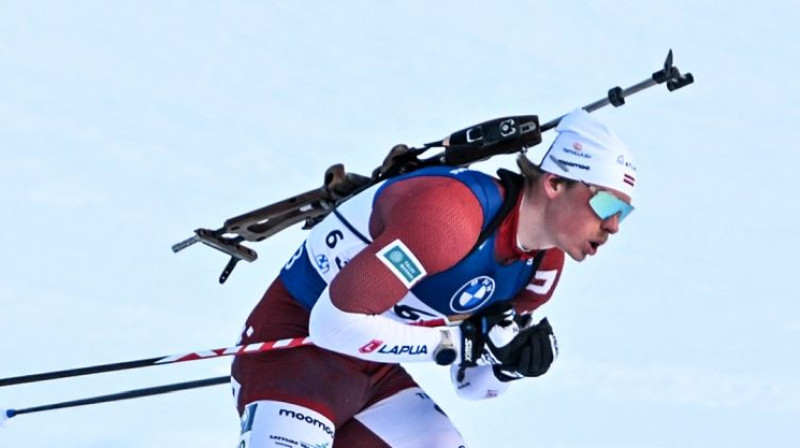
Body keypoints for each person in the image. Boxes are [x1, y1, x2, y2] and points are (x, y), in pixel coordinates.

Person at [231, 109, 637, 447]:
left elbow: (471, 384)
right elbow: (331, 324)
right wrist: (455, 342)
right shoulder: (451, 217)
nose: (614, 226)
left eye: (625, 213)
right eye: (605, 204)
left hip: (375, 370)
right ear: (554, 183)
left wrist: (506, 364)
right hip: (293, 351)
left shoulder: (541, 269)